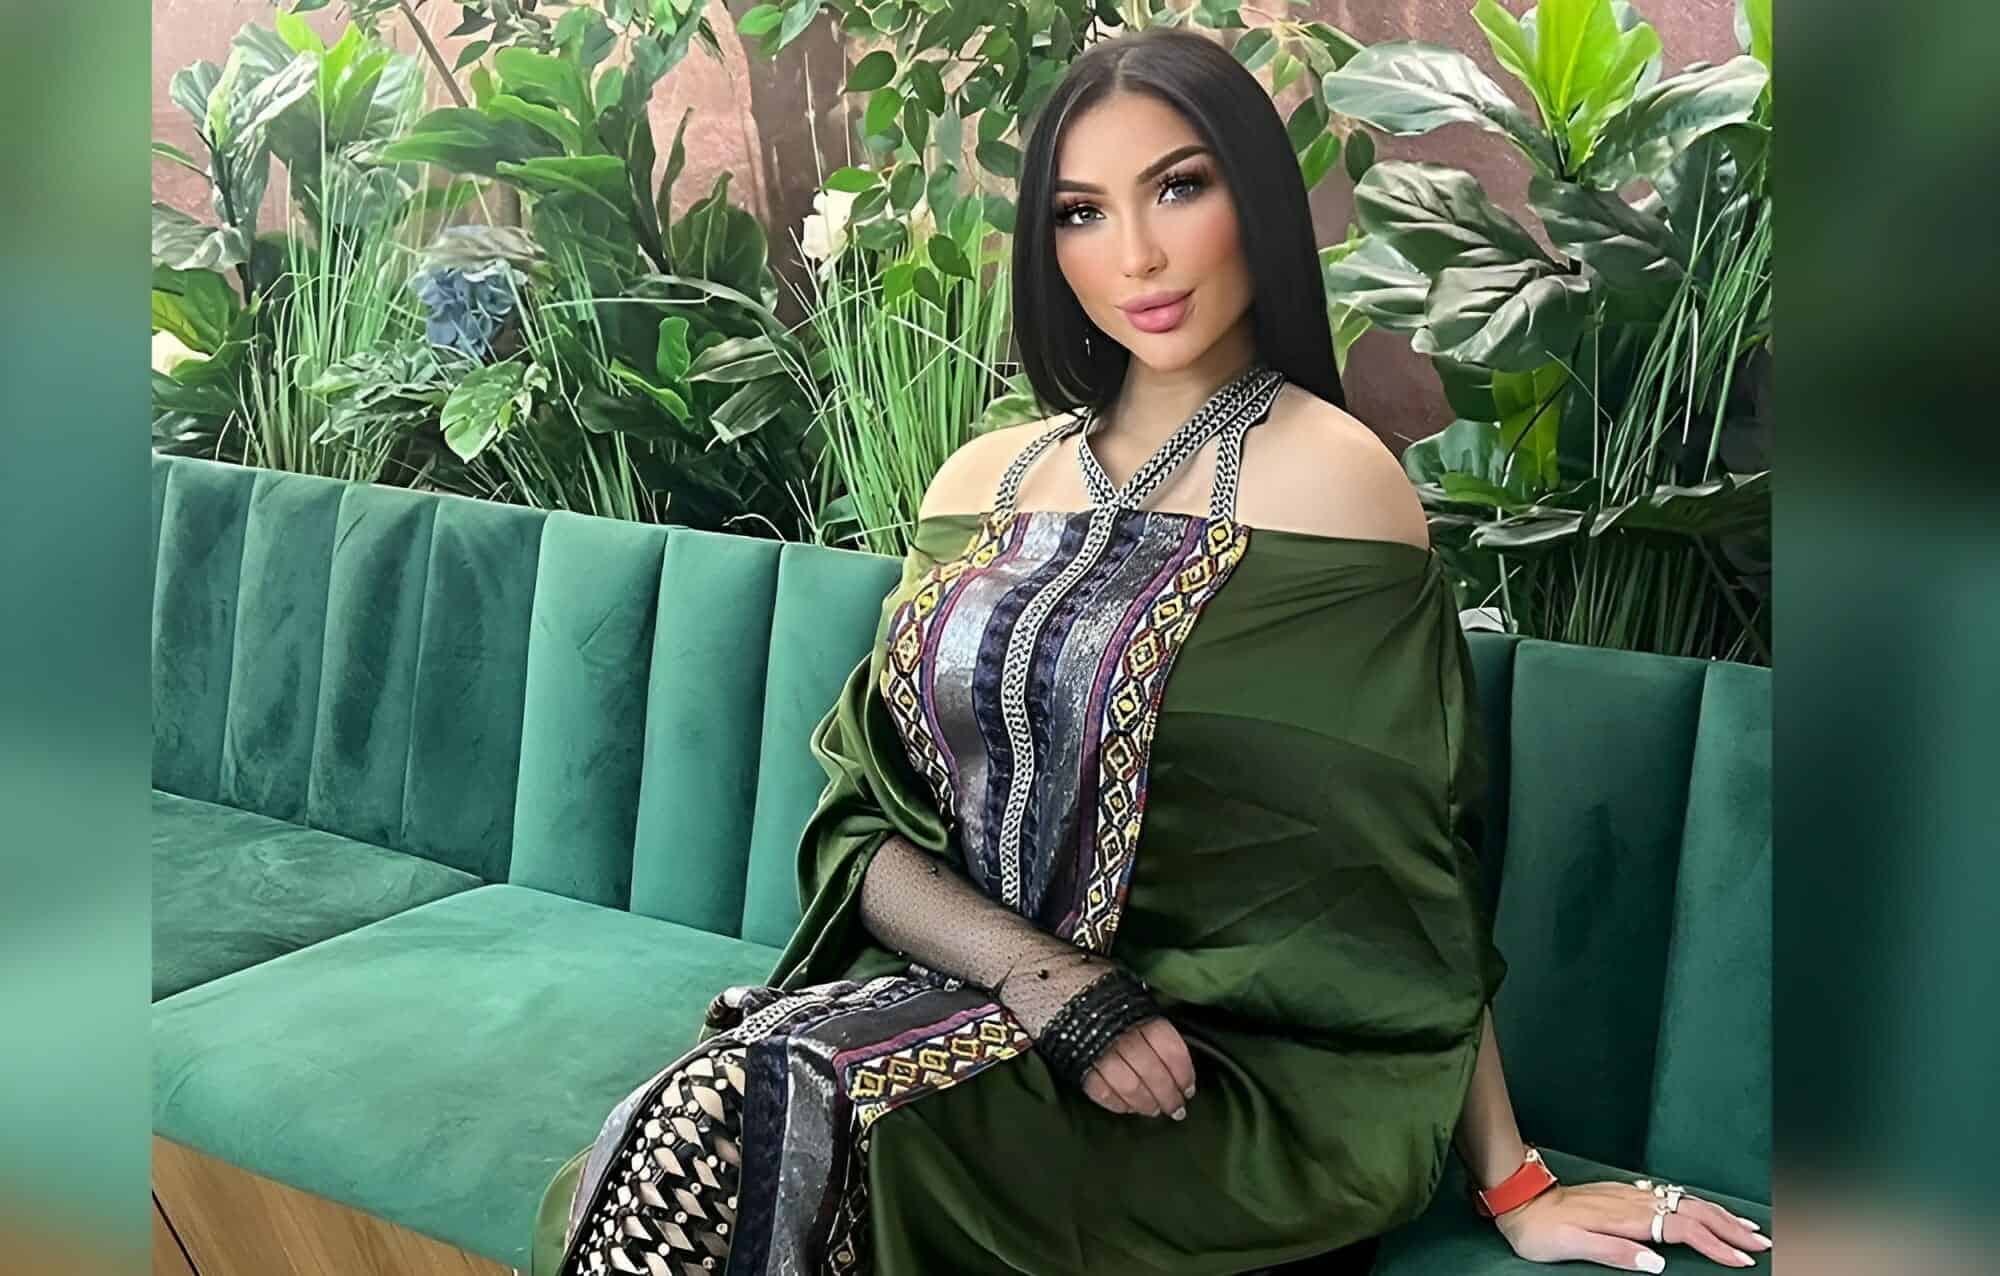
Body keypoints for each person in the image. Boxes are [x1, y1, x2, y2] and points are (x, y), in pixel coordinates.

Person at [530, 26, 1775, 1276]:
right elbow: (865, 828)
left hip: (1212, 1091)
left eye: (1177, 187)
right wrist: (1044, 981)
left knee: (753, 1125)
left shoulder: (1334, 484)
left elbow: (1406, 873)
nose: (1133, 254)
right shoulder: (978, 483)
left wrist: (1511, 1179)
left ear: (1256, 199)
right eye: (1080, 212)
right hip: (969, 1005)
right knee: (708, 1121)